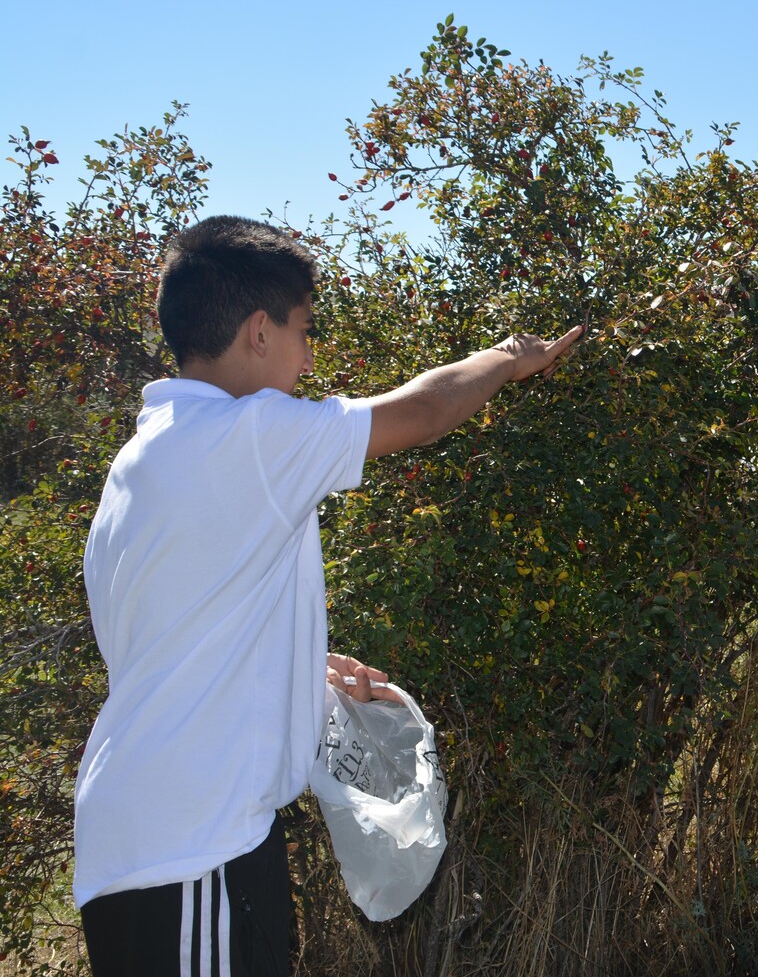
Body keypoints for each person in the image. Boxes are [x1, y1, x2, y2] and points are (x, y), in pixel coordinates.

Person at [74, 215, 582, 975]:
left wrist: (301, 673)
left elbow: (177, 640)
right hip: (189, 848)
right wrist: (511, 358)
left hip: (163, 840)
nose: (310, 359)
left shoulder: (147, 458)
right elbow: (423, 411)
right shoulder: (247, 436)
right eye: (304, 332)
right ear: (258, 331)